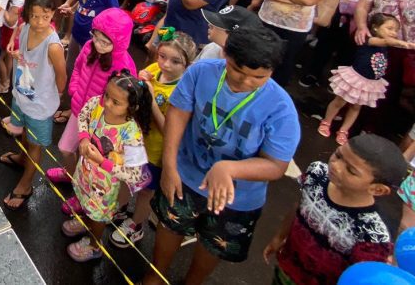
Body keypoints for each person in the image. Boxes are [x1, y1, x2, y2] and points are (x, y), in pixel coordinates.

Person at [143, 27, 301, 285]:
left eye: (258, 77)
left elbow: (276, 166)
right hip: (186, 175)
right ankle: (155, 275)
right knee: (170, 225)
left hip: (236, 199)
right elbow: (177, 115)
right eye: (237, 70)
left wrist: (230, 169)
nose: (245, 81)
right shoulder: (201, 73)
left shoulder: (281, 109)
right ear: (225, 54)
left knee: (212, 244)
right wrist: (170, 166)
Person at [264, 134, 408, 285]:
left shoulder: (372, 233)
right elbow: (299, 206)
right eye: (338, 155)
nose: (335, 166)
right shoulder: (317, 173)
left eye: (351, 170)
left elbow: (360, 278)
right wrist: (279, 237)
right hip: (287, 267)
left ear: (378, 189)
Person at [111, 30, 198, 248]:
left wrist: (149, 99)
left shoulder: (182, 91)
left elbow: (170, 130)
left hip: (156, 152)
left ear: (188, 63)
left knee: (145, 191)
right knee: (125, 178)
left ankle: (136, 225)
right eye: (162, 56)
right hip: (135, 143)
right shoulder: (154, 70)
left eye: (175, 61)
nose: (165, 64)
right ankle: (119, 208)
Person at [60, 72, 152, 262]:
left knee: (99, 216)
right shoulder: (98, 104)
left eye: (115, 102)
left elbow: (135, 175)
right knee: (86, 205)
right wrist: (84, 137)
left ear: (132, 107)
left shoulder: (132, 134)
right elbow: (84, 113)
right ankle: (86, 222)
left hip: (104, 188)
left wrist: (103, 162)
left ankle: (94, 245)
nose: (107, 103)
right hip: (85, 173)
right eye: (107, 95)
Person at [47, 8, 136, 195]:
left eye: (106, 42)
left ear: (119, 43)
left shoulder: (124, 65)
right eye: (96, 38)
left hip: (101, 123)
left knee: (90, 160)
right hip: (80, 112)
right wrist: (75, 88)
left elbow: (126, 100)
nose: (99, 45)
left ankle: (82, 192)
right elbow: (78, 68)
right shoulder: (88, 46)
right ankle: (70, 174)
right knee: (65, 148)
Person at [0, 0, 67, 210]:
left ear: (53, 14)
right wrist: (18, 52)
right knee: (24, 134)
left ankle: (26, 184)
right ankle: (21, 157)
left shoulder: (53, 46)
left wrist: (52, 96)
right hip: (21, 95)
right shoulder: (26, 27)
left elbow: (61, 76)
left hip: (39, 105)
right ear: (27, 12)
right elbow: (24, 46)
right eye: (35, 15)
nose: (39, 22)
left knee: (36, 145)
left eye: (45, 16)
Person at [320, 13, 414, 144]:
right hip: (356, 79)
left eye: (396, 30)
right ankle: (326, 122)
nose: (394, 32)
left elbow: (390, 42)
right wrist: (407, 44)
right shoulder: (369, 39)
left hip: (369, 83)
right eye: (390, 28)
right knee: (340, 102)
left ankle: (344, 130)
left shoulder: (387, 44)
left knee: (356, 107)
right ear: (375, 27)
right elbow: (387, 41)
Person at [58, 0, 120, 87]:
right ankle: (66, 93)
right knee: (70, 66)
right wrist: (71, 7)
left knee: (85, 71)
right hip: (76, 33)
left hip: (91, 40)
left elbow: (115, 16)